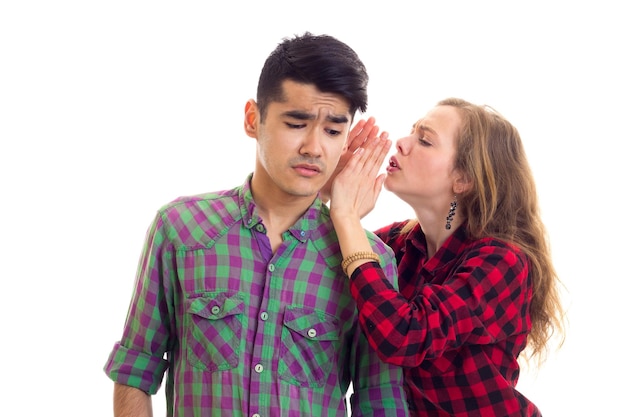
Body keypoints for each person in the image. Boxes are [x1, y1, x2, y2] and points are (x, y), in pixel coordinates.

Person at [103, 32, 409, 417]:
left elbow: (379, 401)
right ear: (253, 119)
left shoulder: (367, 261)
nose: (314, 147)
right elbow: (136, 370)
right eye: (296, 123)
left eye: (333, 131)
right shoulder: (181, 229)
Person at [327, 97, 566, 416]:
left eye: (424, 140)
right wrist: (325, 187)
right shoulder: (398, 245)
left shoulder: (504, 263)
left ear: (463, 179)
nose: (402, 142)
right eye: (412, 131)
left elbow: (404, 335)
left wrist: (346, 216)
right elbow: (314, 252)